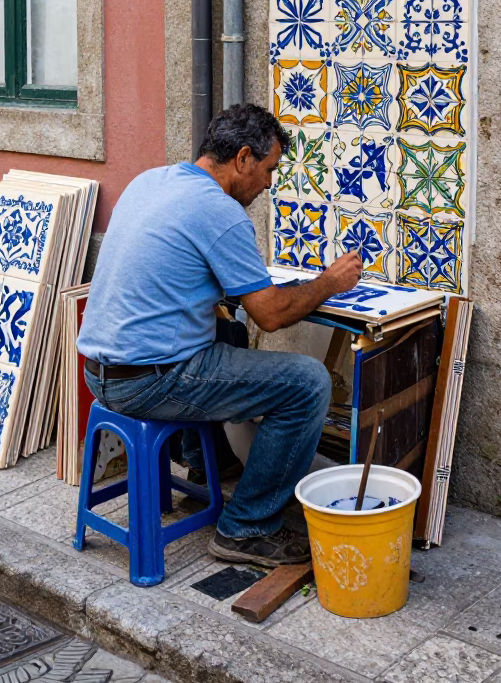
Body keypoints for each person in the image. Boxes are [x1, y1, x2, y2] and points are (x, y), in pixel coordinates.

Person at [77, 103, 362, 568]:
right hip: (148, 381)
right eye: (268, 170)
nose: (269, 183)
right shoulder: (220, 211)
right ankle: (245, 528)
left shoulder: (152, 180)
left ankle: (204, 461)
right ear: (244, 158)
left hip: (100, 372)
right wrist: (330, 281)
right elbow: (270, 315)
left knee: (228, 331)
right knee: (308, 382)